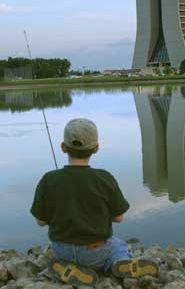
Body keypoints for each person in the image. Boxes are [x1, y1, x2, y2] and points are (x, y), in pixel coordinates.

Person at [30, 118, 158, 286]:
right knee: (119, 246)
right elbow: (119, 218)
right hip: (96, 250)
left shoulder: (48, 179)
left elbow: (40, 221)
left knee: (64, 252)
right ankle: (115, 263)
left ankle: (69, 267)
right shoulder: (104, 178)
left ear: (63, 147)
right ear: (96, 148)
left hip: (62, 249)